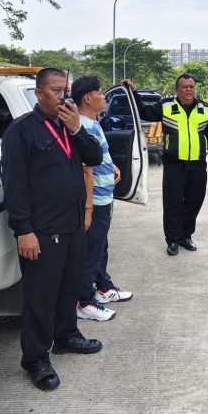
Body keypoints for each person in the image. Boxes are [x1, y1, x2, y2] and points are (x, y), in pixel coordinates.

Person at [1, 68, 103, 391]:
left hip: (72, 226)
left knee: (69, 288)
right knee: (40, 296)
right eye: (56, 90)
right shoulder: (21, 131)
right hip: (42, 232)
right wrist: (23, 229)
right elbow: (14, 185)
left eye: (66, 90)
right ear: (39, 93)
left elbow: (95, 156)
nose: (63, 96)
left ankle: (67, 335)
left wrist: (77, 130)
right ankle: (35, 357)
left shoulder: (70, 126)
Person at [121, 74, 208, 256]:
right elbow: (145, 112)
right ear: (177, 90)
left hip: (197, 165)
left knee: (194, 202)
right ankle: (173, 239)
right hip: (174, 165)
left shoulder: (203, 109)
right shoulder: (166, 106)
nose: (188, 90)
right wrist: (133, 92)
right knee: (172, 204)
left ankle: (186, 236)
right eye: (184, 87)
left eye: (191, 86)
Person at [70, 75, 133, 322]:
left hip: (104, 197)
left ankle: (103, 287)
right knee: (91, 251)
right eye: (100, 92)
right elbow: (86, 168)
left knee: (101, 247)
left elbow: (99, 156)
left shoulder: (93, 123)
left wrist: (113, 165)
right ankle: (84, 301)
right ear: (88, 98)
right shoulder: (83, 126)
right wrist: (87, 207)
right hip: (94, 200)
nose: (104, 97)